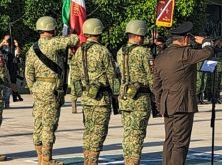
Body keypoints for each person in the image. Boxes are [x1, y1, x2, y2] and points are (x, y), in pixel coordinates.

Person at [153, 22, 214, 165]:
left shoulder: (161, 56)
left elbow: (156, 86)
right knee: (180, 142)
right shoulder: (185, 54)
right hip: (182, 104)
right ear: (186, 39)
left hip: (167, 104)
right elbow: (208, 52)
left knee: (169, 140)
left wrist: (159, 103)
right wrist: (205, 41)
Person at [25, 16, 79, 165]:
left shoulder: (32, 49)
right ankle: (47, 159)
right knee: (49, 124)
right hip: (52, 89)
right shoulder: (53, 43)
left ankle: (40, 157)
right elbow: (74, 40)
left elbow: (28, 73)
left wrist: (33, 89)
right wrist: (72, 30)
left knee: (39, 123)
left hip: (38, 88)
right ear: (52, 29)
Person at [71, 18, 115, 164]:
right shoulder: (103, 51)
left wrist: (77, 95)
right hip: (101, 98)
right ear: (99, 32)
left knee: (89, 130)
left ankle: (87, 160)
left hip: (86, 97)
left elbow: (75, 77)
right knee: (99, 131)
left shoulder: (79, 51)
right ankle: (93, 161)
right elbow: (111, 75)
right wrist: (117, 95)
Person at [117, 20, 154, 164]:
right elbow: (151, 76)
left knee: (127, 131)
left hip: (125, 96)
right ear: (139, 35)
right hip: (140, 97)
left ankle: (128, 159)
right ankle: (133, 161)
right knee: (137, 132)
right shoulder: (144, 52)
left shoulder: (121, 51)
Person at [1, 35, 23, 105]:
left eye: (9, 40)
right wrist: (2, 43)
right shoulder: (2, 47)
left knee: (11, 83)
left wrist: (17, 45)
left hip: (12, 67)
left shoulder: (13, 48)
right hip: (3, 68)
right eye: (6, 40)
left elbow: (18, 53)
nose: (8, 42)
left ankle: (10, 99)